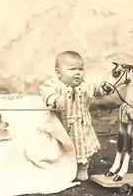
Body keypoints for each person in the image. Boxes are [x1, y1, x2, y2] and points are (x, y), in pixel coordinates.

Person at [40, 51, 112, 181]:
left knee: (82, 145)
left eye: (80, 69)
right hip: (61, 124)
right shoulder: (55, 84)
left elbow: (96, 90)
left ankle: (82, 168)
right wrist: (55, 98)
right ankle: (62, 168)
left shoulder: (85, 85)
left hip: (81, 123)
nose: (77, 72)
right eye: (72, 69)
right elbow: (45, 91)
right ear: (58, 72)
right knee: (60, 147)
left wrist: (103, 89)